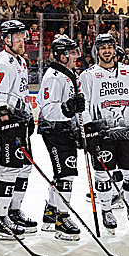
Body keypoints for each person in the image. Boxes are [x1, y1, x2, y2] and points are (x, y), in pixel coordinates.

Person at [79, 33, 129, 233]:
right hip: (102, 133)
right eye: (102, 48)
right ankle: (106, 210)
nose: (107, 51)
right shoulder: (88, 75)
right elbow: (84, 105)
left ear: (115, 49)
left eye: (109, 47)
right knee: (103, 173)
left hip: (127, 132)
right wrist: (88, 129)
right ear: (97, 51)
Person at [0, 19, 38, 238]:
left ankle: (14, 210)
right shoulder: (2, 62)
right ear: (6, 40)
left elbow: (22, 93)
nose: (21, 42)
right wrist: (6, 123)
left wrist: (28, 117)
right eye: (17, 38)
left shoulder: (20, 61)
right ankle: (0, 218)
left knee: (24, 167)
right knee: (9, 169)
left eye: (22, 38)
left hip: (20, 121)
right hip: (8, 122)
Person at [35, 35, 84, 241]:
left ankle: (51, 212)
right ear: (62, 56)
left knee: (62, 173)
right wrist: (68, 108)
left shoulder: (70, 74)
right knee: (66, 173)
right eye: (72, 53)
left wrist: (79, 128)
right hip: (55, 130)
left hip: (66, 130)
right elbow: (48, 109)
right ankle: (62, 218)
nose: (76, 56)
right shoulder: (54, 77)